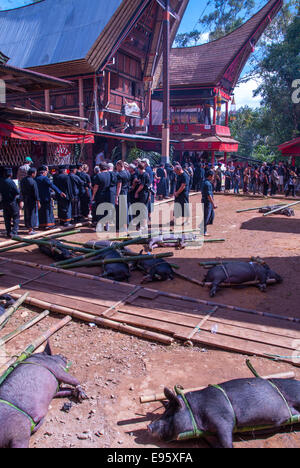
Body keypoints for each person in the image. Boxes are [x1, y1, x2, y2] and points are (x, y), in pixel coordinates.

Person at [36, 166, 66, 230]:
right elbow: (52, 185)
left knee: (41, 211)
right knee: (48, 210)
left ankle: (42, 224)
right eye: (46, 171)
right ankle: (49, 225)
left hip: (39, 197)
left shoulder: (36, 178)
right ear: (44, 172)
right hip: (46, 197)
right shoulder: (45, 178)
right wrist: (60, 192)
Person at [0, 167, 22, 238]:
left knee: (7, 218)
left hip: (4, 202)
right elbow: (16, 192)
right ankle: (14, 232)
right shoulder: (11, 182)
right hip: (12, 202)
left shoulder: (1, 181)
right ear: (10, 174)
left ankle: (8, 232)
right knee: (16, 217)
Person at [20, 167, 40, 235]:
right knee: (32, 214)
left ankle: (28, 227)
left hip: (25, 199)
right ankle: (31, 229)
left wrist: (21, 199)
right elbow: (36, 193)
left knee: (27, 213)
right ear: (32, 174)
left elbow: (21, 191)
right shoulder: (33, 181)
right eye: (35, 173)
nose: (35, 174)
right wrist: (38, 201)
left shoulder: (23, 180)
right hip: (32, 199)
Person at [92, 162, 111, 228]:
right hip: (108, 194)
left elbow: (95, 187)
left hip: (100, 195)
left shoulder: (99, 176)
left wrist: (93, 195)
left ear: (100, 168)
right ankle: (107, 225)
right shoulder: (110, 174)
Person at [134, 162, 151, 233]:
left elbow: (142, 186)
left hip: (144, 194)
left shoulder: (144, 175)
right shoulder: (143, 175)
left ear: (139, 168)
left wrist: (136, 192)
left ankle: (143, 226)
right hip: (144, 194)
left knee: (143, 210)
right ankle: (144, 225)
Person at [115, 160, 130, 232]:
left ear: (119, 166)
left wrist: (116, 196)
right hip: (126, 192)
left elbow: (119, 186)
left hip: (122, 193)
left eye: (117, 166)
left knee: (121, 210)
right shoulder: (127, 173)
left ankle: (122, 227)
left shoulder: (119, 174)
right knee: (125, 209)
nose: (116, 168)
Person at [201, 169, 217, 236]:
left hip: (205, 201)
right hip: (207, 202)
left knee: (210, 215)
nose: (213, 178)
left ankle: (203, 229)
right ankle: (203, 231)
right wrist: (213, 204)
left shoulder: (205, 182)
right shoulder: (207, 184)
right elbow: (208, 195)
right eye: (213, 176)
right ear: (210, 176)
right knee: (206, 217)